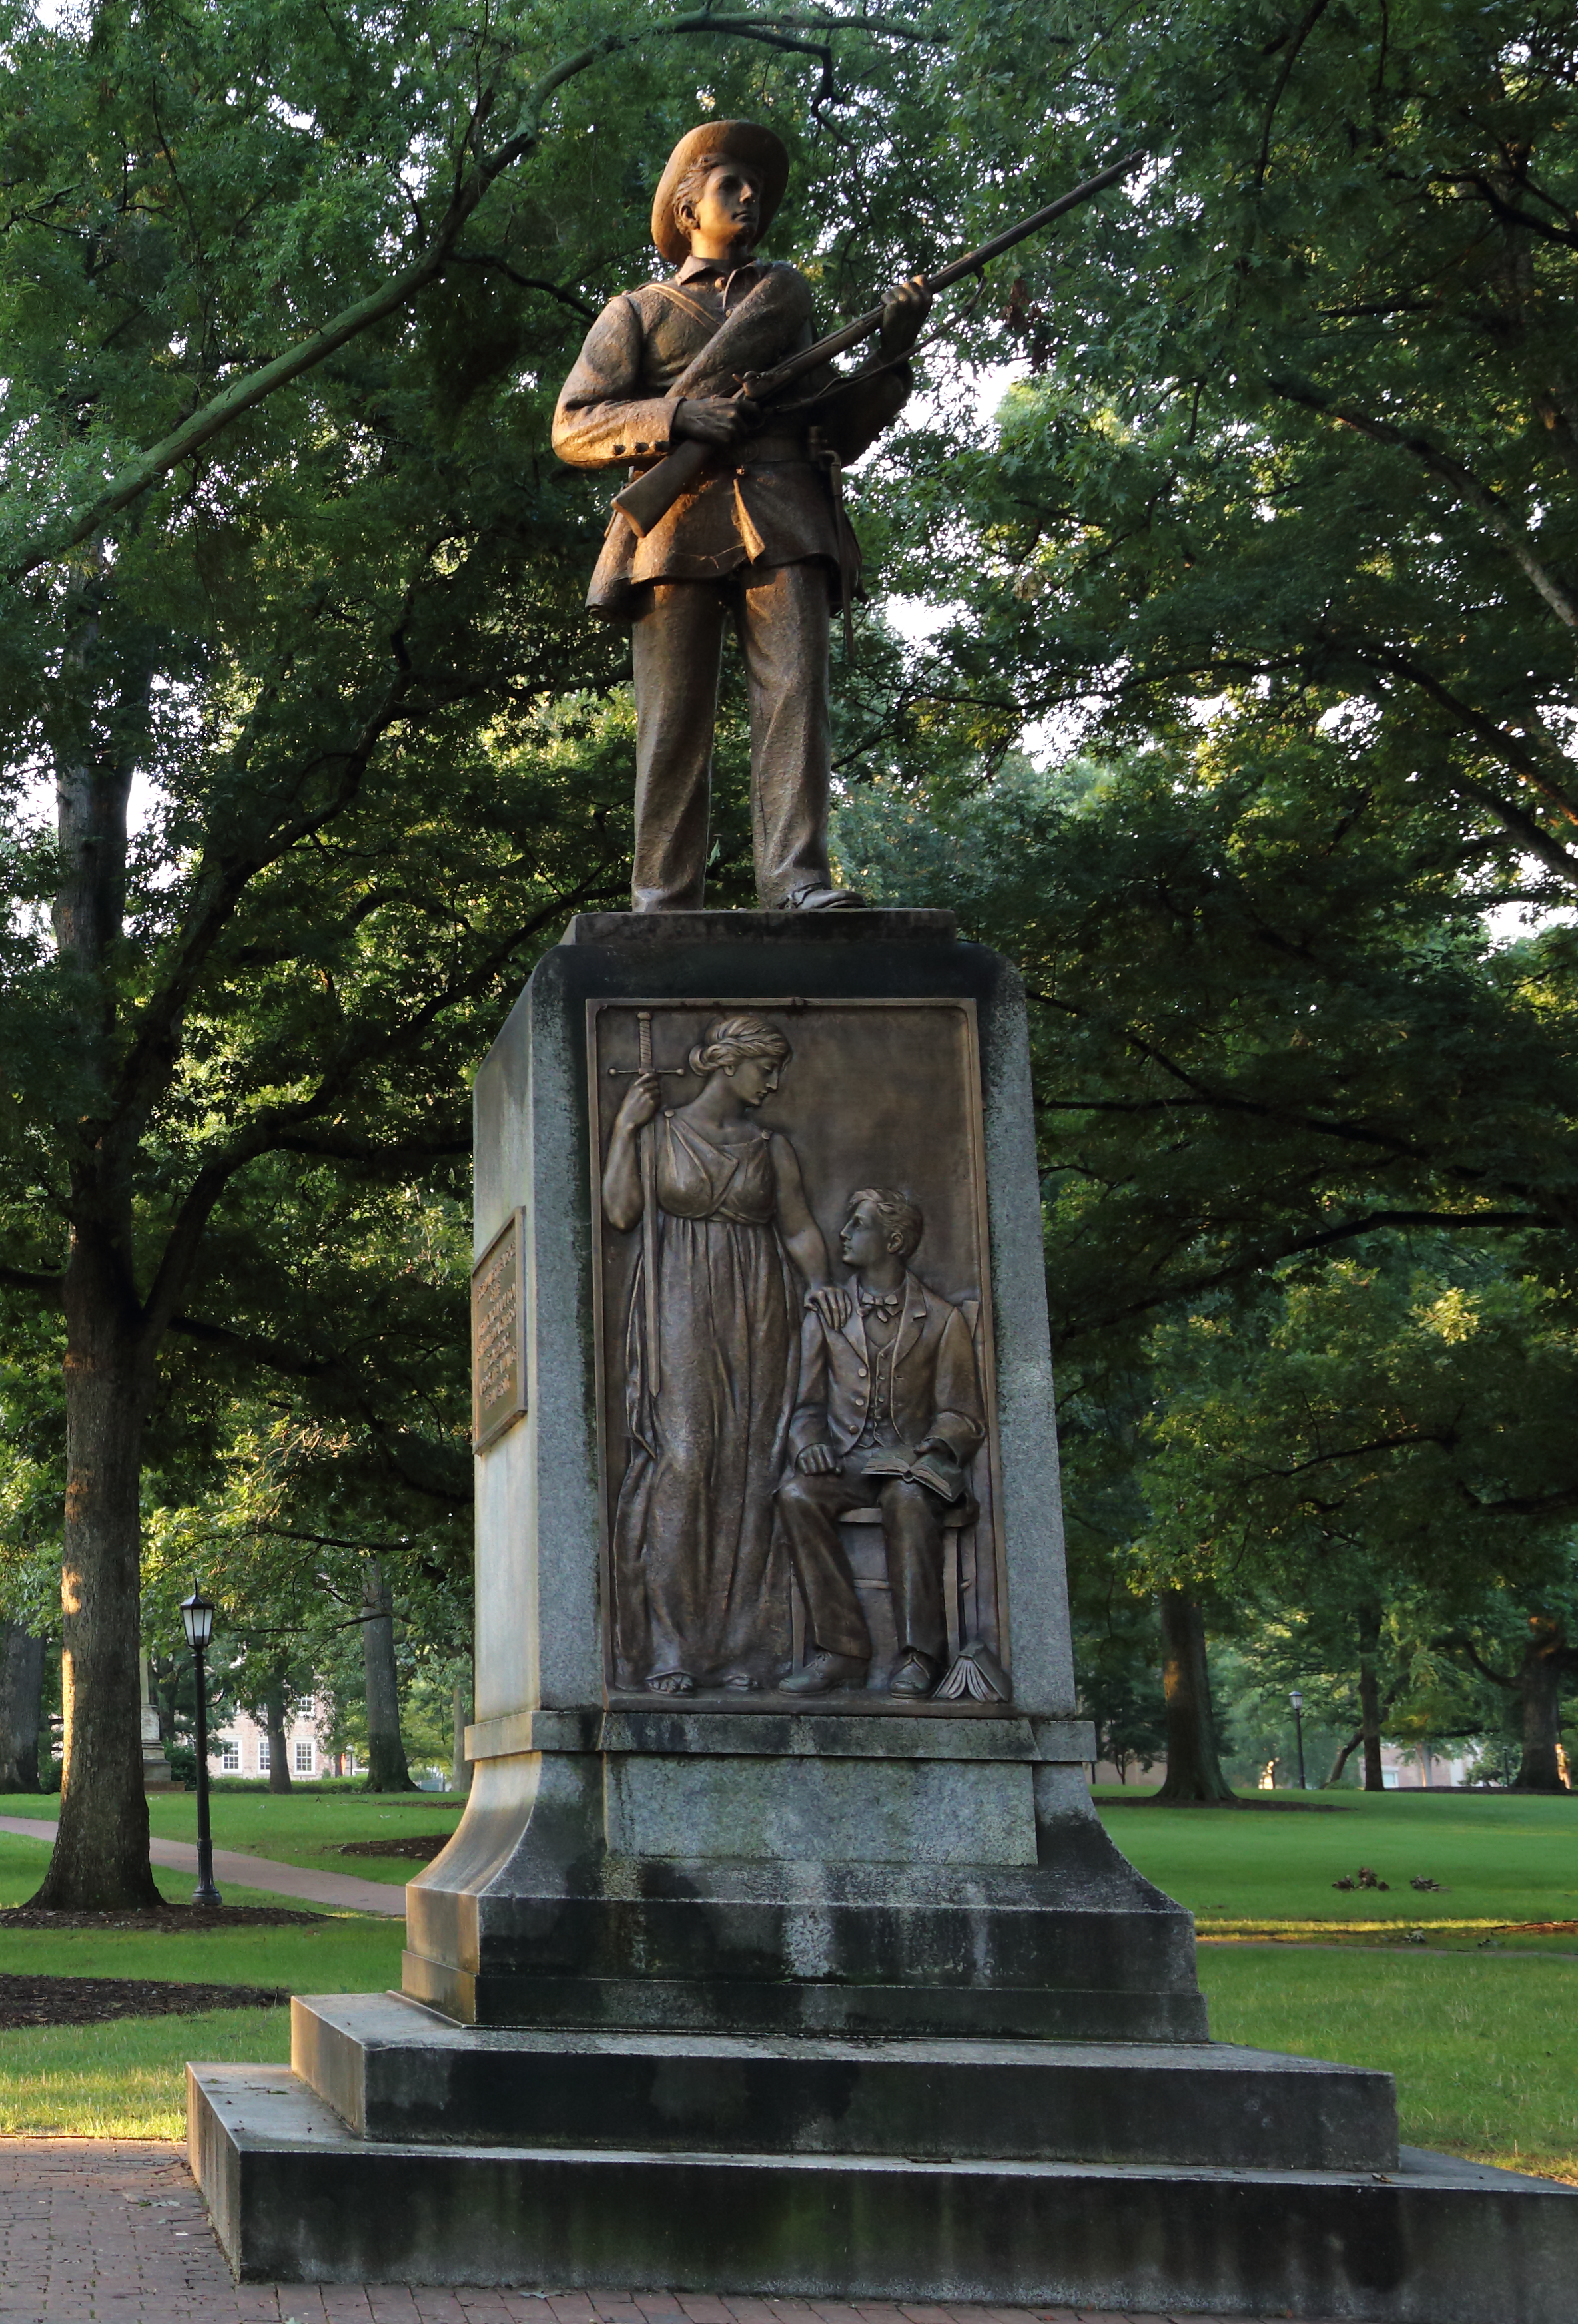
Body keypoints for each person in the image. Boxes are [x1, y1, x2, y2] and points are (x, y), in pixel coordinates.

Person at [554, 121, 933, 912]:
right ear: (689, 206)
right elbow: (574, 424)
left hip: (786, 515)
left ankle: (797, 881)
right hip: (676, 524)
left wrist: (891, 353)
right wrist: (679, 418)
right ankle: (662, 899)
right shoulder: (638, 311)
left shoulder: (784, 306)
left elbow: (840, 430)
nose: (751, 196)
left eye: (755, 188)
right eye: (731, 184)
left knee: (797, 699)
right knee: (673, 721)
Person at [602, 1014, 831, 1693]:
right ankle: (670, 1644)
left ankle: (744, 1651)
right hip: (679, 1304)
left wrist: (826, 1299)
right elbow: (620, 1213)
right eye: (768, 1068)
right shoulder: (661, 1133)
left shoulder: (771, 1149)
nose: (776, 1082)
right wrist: (624, 1127)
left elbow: (801, 1235)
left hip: (761, 1310)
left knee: (752, 1469)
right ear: (730, 1064)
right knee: (687, 1461)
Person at [776, 1187, 987, 1697]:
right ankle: (843, 1650)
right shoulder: (825, 1315)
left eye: (858, 1225)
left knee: (909, 1500)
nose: (843, 1234)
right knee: (796, 1495)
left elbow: (962, 1413)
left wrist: (933, 1447)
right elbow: (804, 1406)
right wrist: (808, 1443)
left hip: (911, 1465)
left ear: (893, 1241)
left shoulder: (942, 1319)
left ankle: (918, 1656)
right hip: (847, 1464)